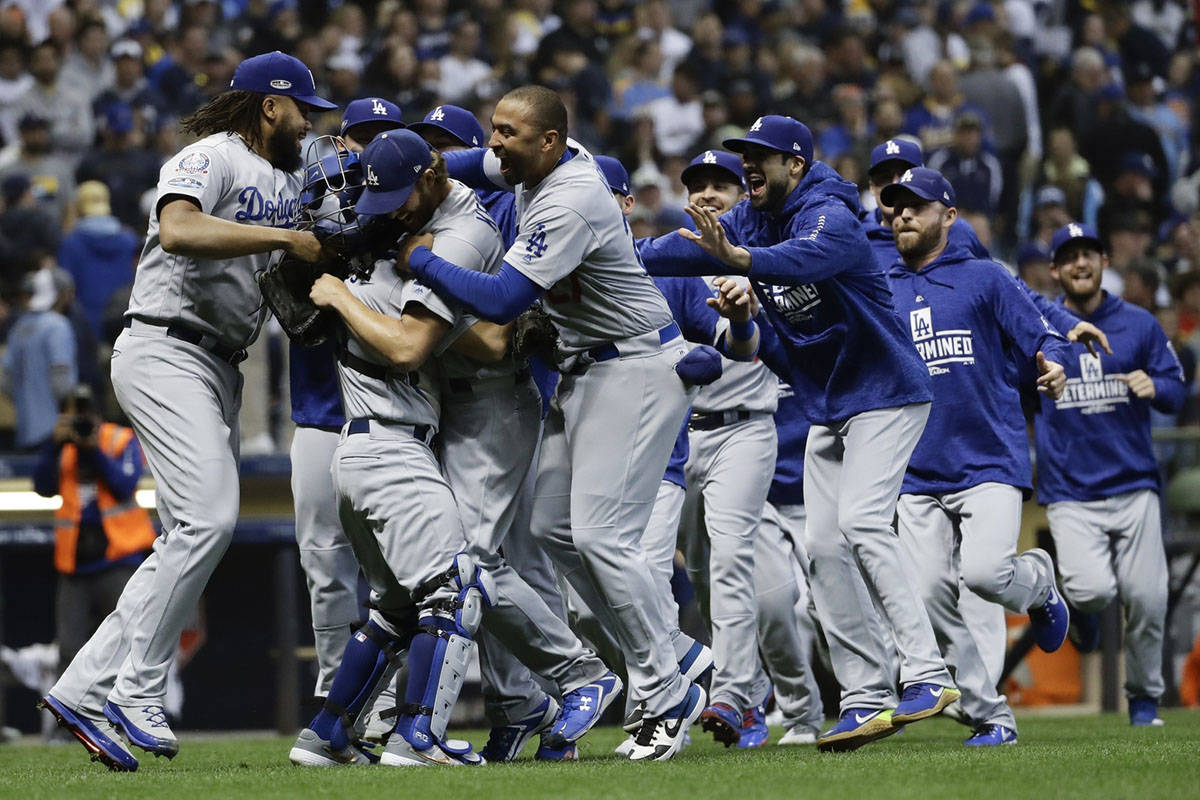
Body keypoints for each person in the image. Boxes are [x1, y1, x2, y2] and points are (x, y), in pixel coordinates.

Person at [40, 51, 335, 773]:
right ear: (271, 105)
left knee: (188, 534)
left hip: (218, 365)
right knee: (208, 520)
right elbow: (178, 229)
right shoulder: (213, 155)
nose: (309, 121)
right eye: (303, 109)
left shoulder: (290, 177)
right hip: (165, 347)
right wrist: (282, 238)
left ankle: (83, 686)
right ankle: (136, 689)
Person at [401, 85, 706, 762]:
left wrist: (422, 258)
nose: (495, 144)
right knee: (552, 530)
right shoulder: (532, 157)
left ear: (549, 142)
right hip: (588, 367)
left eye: (510, 133)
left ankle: (665, 689)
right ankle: (674, 654)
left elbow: (505, 299)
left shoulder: (570, 195)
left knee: (602, 537)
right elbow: (461, 165)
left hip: (632, 365)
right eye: (494, 130)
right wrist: (404, 166)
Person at [638, 114, 960, 751]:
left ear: (797, 162)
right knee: (823, 550)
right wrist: (617, 255)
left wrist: (741, 259)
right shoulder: (751, 221)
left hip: (888, 392)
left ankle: (928, 673)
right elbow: (684, 248)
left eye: (762, 156)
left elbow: (807, 256)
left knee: (863, 523)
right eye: (745, 156)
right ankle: (866, 695)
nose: (750, 166)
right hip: (832, 406)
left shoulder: (828, 211)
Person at [290, 130, 501, 768]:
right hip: (391, 448)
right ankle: (419, 736)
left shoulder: (370, 260)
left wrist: (335, 288)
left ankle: (327, 732)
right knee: (457, 590)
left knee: (395, 610)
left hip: (359, 456)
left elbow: (484, 344)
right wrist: (339, 293)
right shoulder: (387, 269)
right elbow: (410, 347)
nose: (383, 214)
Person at [883, 167, 1072, 747]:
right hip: (914, 468)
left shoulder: (986, 277)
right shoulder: (880, 284)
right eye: (895, 206)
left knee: (986, 575)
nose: (904, 215)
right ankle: (991, 714)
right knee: (931, 594)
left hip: (988, 457)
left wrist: (1055, 360)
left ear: (949, 216)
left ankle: (1038, 584)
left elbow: (1042, 332)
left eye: (917, 205)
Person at [1033, 222, 1186, 728]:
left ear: (1104, 263)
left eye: (1089, 255)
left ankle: (1143, 699)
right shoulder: (1038, 327)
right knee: (1094, 592)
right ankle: (1081, 615)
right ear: (1055, 270)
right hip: (1070, 490)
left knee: (1148, 597)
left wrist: (1156, 386)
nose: (1080, 264)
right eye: (1069, 257)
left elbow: (1176, 391)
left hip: (1133, 483)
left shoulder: (1140, 325)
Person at [287, 96, 406, 714]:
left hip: (398, 417)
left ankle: (395, 700)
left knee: (399, 569)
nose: (368, 147)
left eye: (384, 135)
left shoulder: (416, 227)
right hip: (321, 411)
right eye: (360, 136)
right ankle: (339, 692)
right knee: (323, 559)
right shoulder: (304, 228)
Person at [33, 386, 155, 686]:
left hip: (119, 559)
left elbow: (125, 485)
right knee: (69, 648)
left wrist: (93, 448)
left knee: (131, 642)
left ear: (98, 415)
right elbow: (43, 486)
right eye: (73, 415)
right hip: (74, 565)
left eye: (85, 414)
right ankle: (67, 726)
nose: (80, 421)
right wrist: (55, 444)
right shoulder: (62, 445)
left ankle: (133, 715)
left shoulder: (119, 438)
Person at [2, 268, 78, 450]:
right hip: (55, 429)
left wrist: (26, 401)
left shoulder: (18, 328)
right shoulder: (58, 325)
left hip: (24, 429)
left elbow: (4, 381)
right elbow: (62, 382)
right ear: (58, 294)